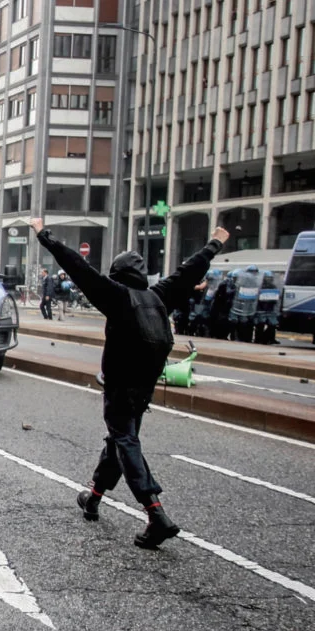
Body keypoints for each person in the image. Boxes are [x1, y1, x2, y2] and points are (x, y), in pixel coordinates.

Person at [31, 218, 229, 549]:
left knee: (124, 440)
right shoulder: (158, 296)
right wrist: (214, 244)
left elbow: (79, 268)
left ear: (118, 276)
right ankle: (93, 497)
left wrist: (44, 236)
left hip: (120, 383)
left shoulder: (116, 296)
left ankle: (155, 514)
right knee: (120, 439)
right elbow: (188, 272)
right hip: (146, 383)